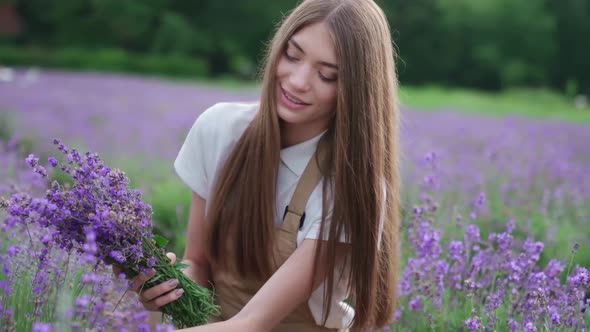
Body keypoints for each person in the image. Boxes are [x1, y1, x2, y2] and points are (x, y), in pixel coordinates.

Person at [125, 0, 401, 331]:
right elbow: (198, 261)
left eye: (327, 75)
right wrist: (166, 286)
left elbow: (253, 323)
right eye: (293, 55)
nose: (298, 81)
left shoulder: (347, 183)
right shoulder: (220, 129)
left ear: (356, 90)